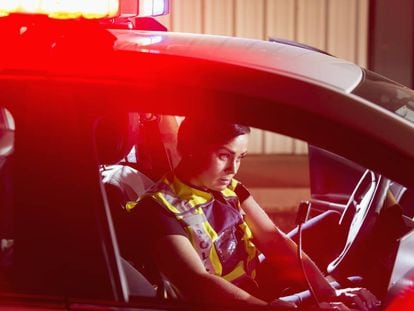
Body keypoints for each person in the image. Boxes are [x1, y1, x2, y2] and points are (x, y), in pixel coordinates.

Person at [125, 116, 380, 309]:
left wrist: (328, 292)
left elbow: (273, 240)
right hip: (224, 305)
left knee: (330, 226)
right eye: (223, 156)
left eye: (240, 157)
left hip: (254, 287)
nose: (233, 169)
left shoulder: (231, 189)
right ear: (191, 148)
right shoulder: (158, 208)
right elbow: (198, 282)